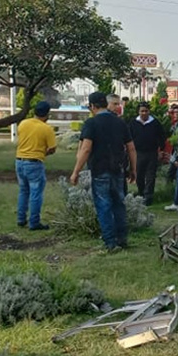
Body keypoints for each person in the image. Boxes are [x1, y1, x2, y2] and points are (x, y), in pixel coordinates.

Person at [70, 92, 137, 251]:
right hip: (118, 170)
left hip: (100, 170)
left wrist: (76, 171)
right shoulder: (120, 123)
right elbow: (131, 148)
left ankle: (110, 242)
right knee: (119, 204)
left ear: (92, 106)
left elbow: (86, 149)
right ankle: (122, 239)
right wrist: (133, 169)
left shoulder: (91, 123)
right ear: (106, 104)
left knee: (103, 206)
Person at [15, 101, 57, 230]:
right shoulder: (46, 129)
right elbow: (52, 148)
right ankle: (34, 222)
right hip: (34, 162)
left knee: (23, 191)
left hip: (19, 161)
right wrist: (43, 153)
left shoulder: (23, 123)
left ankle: (21, 219)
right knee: (35, 193)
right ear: (47, 114)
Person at [129, 102, 166, 205]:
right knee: (139, 175)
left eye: (146, 111)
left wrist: (161, 150)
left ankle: (148, 197)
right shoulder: (133, 123)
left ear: (149, 111)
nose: (144, 113)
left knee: (150, 176)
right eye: (142, 111)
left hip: (152, 153)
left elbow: (162, 136)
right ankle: (141, 194)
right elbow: (128, 138)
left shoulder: (155, 123)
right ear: (138, 112)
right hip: (138, 153)